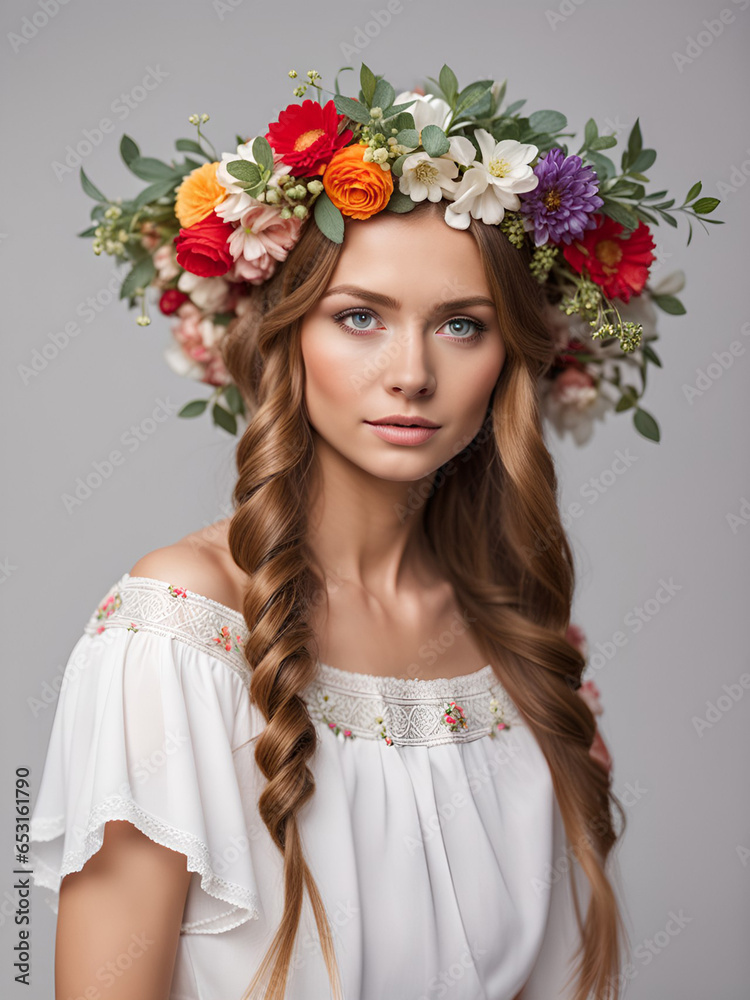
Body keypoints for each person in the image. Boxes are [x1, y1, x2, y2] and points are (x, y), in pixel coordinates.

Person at [29, 195, 628, 999]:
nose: (412, 374)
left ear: (510, 355)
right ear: (284, 334)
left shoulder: (516, 646)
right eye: (359, 318)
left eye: (462, 325)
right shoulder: (176, 627)